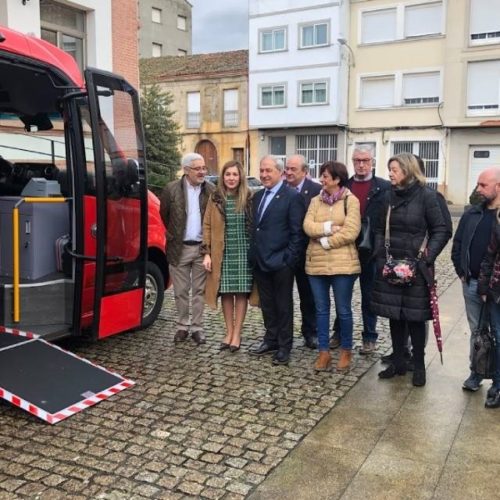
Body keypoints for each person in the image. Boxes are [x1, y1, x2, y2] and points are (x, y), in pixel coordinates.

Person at [372, 153, 450, 387]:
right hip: (391, 267)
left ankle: (419, 365)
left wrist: (426, 258)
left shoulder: (428, 197)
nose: (390, 174)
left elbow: (442, 230)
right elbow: (378, 229)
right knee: (395, 316)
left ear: (407, 170)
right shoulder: (387, 197)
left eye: (394, 169)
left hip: (416, 268)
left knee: (415, 318)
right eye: (390, 169)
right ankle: (398, 361)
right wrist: (380, 258)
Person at [303, 161, 361, 372]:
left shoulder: (350, 201)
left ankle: (346, 350)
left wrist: (326, 241)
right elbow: (307, 226)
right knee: (321, 310)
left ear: (337, 179)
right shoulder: (315, 201)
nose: (322, 180)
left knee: (343, 310)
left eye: (326, 176)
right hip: (316, 265)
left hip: (343, 265)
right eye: (321, 175)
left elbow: (351, 232)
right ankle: (324, 352)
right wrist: (329, 227)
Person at [249, 155, 306, 365]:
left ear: (280, 173)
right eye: (262, 170)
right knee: (267, 304)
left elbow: (297, 233)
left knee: (283, 305)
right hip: (261, 260)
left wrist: (288, 259)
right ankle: (271, 338)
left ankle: (284, 346)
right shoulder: (257, 197)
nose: (264, 175)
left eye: (268, 171)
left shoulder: (291, 196)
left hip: (281, 262)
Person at [452, 167, 500, 391]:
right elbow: (458, 243)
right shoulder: (472, 213)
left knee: (498, 333)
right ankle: (476, 373)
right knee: (477, 333)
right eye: (478, 184)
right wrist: (461, 271)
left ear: (498, 187)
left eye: (483, 185)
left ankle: (498, 381)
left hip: (495, 287)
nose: (478, 189)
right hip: (471, 283)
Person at [339, 144, 390, 355]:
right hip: (346, 249)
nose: (361, 164)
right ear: (352, 162)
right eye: (357, 161)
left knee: (370, 296)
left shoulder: (384, 187)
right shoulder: (344, 185)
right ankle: (339, 333)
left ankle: (369, 336)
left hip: (372, 251)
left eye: (365, 160)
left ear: (373, 162)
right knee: (342, 295)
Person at [160, 152, 215, 344]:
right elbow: (164, 215)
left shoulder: (211, 190)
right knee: (180, 291)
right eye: (197, 168)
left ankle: (197, 328)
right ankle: (182, 326)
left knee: (199, 291)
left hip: (202, 249)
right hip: (179, 248)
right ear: (186, 170)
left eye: (203, 168)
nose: (202, 172)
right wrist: (175, 235)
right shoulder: (171, 189)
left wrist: (208, 249)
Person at [202, 160, 254, 352]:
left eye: (235, 174)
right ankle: (228, 331)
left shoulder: (249, 197)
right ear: (222, 177)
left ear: (240, 177)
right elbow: (206, 226)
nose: (231, 178)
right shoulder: (215, 198)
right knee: (225, 292)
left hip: (243, 252)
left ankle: (237, 334)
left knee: (241, 293)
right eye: (227, 174)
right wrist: (206, 253)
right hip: (221, 252)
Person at [285, 154, 321, 349]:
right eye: (287, 169)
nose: (288, 172)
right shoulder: (280, 188)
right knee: (282, 295)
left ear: (305, 172)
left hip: (308, 252)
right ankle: (283, 332)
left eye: (293, 169)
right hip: (285, 252)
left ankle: (311, 332)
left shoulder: (316, 191)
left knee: (309, 296)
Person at [478, 208, 500, 408]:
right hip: (497, 291)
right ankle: (499, 386)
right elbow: (490, 254)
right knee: (498, 339)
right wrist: (484, 286)